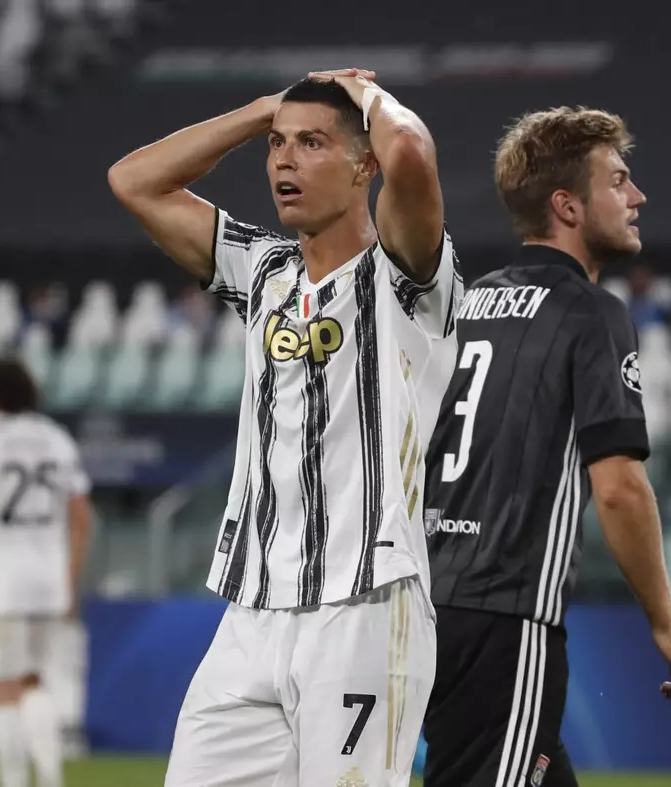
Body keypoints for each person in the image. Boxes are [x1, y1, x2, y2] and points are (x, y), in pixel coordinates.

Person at [109, 68, 463, 785]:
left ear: (363, 165)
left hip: (365, 603)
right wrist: (262, 110)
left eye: (311, 143)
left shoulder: (406, 277)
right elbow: (133, 181)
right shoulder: (263, 270)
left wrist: (364, 96)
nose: (283, 160)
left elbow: (411, 154)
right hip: (255, 608)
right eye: (278, 145)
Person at [421, 107, 671, 787]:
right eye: (619, 181)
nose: (637, 197)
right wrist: (666, 622)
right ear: (567, 206)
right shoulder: (591, 312)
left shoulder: (472, 302)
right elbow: (620, 488)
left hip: (428, 602)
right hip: (506, 613)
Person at [0, 358, 93, 787]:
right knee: (38, 682)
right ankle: (49, 777)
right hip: (49, 582)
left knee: (3, 689)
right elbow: (81, 517)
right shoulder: (57, 440)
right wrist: (70, 578)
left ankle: (13, 782)